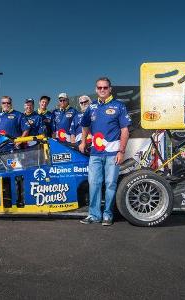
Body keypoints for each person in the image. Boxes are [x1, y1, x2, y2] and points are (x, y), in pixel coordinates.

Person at [79, 77, 131, 226]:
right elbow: (85, 125)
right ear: (96, 89)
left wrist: (121, 151)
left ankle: (107, 215)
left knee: (110, 184)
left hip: (113, 154)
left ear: (110, 89)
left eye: (105, 87)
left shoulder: (119, 106)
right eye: (99, 88)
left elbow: (125, 130)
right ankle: (94, 215)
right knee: (94, 183)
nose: (102, 90)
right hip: (95, 153)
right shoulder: (92, 106)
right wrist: (83, 141)